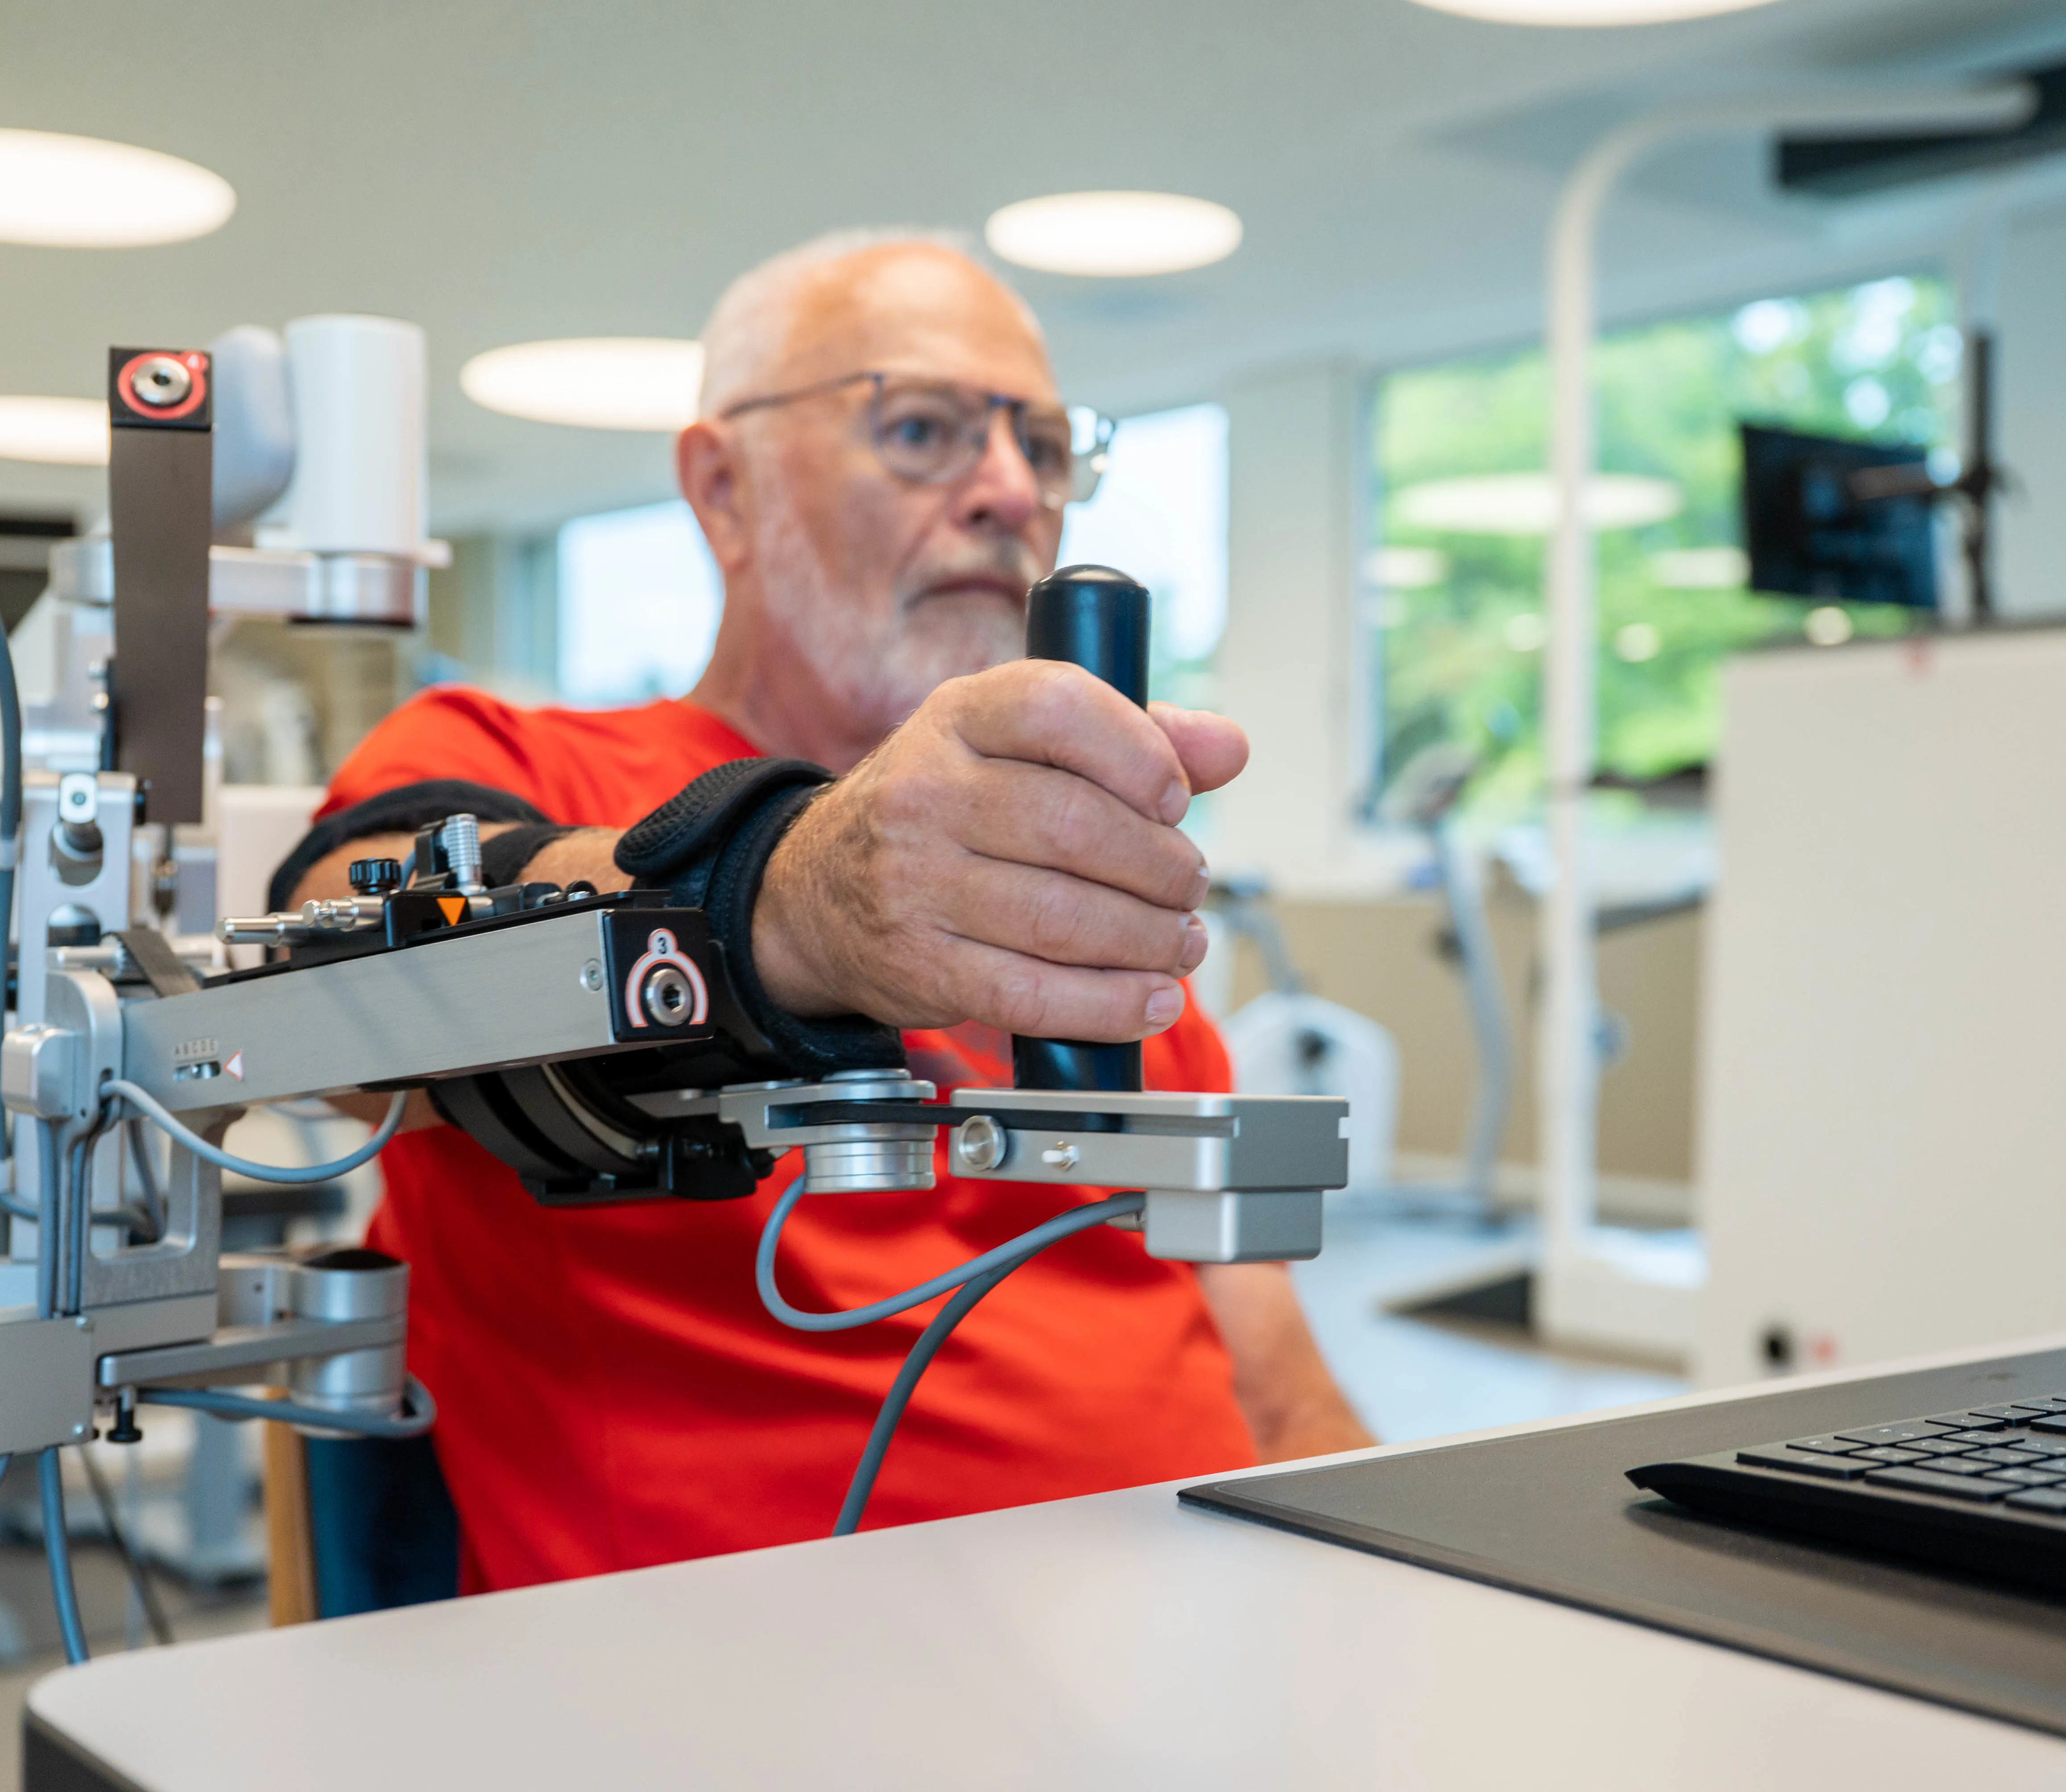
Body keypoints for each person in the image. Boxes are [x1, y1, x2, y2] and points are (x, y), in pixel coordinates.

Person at [281, 229, 1370, 1592]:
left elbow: (1268, 1379)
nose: (1009, 491)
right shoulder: (508, 761)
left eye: (1043, 446)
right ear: (722, 488)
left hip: (1191, 1645)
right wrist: (802, 902)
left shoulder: (1083, 894)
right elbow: (329, 987)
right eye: (922, 429)